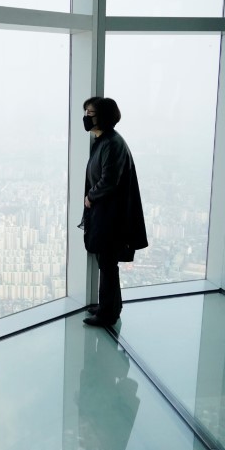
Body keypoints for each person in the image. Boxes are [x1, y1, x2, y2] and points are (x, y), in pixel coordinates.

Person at [79, 97, 148, 326]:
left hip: (111, 216)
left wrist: (91, 196)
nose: (86, 117)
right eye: (86, 112)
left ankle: (108, 313)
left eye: (90, 113)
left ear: (104, 117)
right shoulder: (104, 140)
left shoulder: (112, 144)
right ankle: (108, 306)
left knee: (108, 263)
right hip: (105, 213)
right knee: (105, 262)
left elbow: (109, 180)